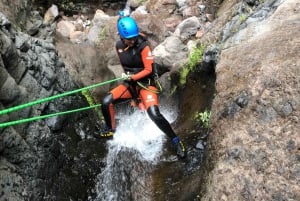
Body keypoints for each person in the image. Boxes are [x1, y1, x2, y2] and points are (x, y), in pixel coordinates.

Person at [98, 16, 186, 159]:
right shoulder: (118, 45)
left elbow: (148, 70)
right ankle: (110, 129)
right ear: (121, 36)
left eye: (134, 38)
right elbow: (124, 65)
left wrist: (132, 78)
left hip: (146, 85)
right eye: (129, 39)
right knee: (106, 101)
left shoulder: (143, 46)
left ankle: (176, 141)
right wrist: (132, 92)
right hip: (130, 85)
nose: (132, 41)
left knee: (154, 114)